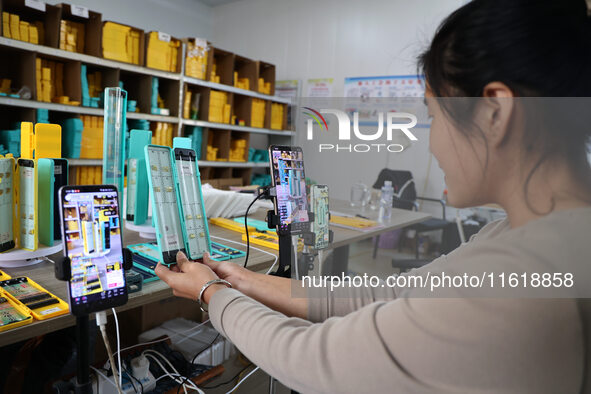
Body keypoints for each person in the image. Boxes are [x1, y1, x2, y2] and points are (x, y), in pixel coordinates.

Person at [156, 0, 591, 392]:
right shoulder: (521, 237)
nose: (433, 143)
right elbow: (389, 294)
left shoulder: (518, 277)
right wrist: (244, 280)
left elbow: (310, 358)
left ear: (496, 110)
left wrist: (210, 292)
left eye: (435, 115)